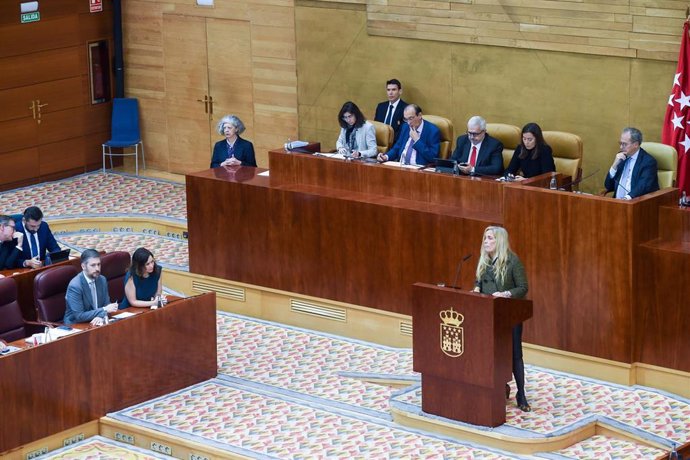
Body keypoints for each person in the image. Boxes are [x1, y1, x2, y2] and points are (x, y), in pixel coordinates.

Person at [473, 226, 531, 412]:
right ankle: (500, 386)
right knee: (492, 353)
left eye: (490, 238)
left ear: (499, 240)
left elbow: (523, 287)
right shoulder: (484, 261)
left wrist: (506, 293)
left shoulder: (513, 261)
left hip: (509, 315)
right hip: (488, 316)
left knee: (514, 355)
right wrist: (475, 291)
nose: (486, 241)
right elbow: (479, 283)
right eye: (484, 238)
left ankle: (521, 394)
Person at [64, 249, 118, 326]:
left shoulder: (102, 280)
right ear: (83, 266)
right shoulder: (75, 286)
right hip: (76, 325)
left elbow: (107, 305)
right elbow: (79, 316)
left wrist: (100, 316)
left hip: (96, 322)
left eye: (99, 264)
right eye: (93, 265)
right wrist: (104, 310)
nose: (97, 269)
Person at [604, 127, 659, 199]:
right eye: (620, 143)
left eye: (624, 144)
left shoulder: (648, 162)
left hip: (637, 203)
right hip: (617, 203)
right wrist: (614, 165)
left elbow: (643, 186)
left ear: (636, 144)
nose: (621, 147)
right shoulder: (621, 157)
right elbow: (608, 186)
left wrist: (627, 198)